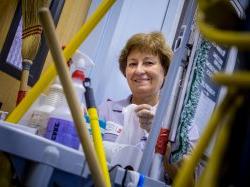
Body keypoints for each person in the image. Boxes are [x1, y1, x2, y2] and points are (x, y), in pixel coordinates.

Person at [98, 31, 199, 184]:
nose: (139, 70)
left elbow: (190, 181)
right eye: (132, 64)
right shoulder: (106, 110)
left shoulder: (182, 124)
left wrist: (158, 134)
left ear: (165, 71)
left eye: (148, 63)